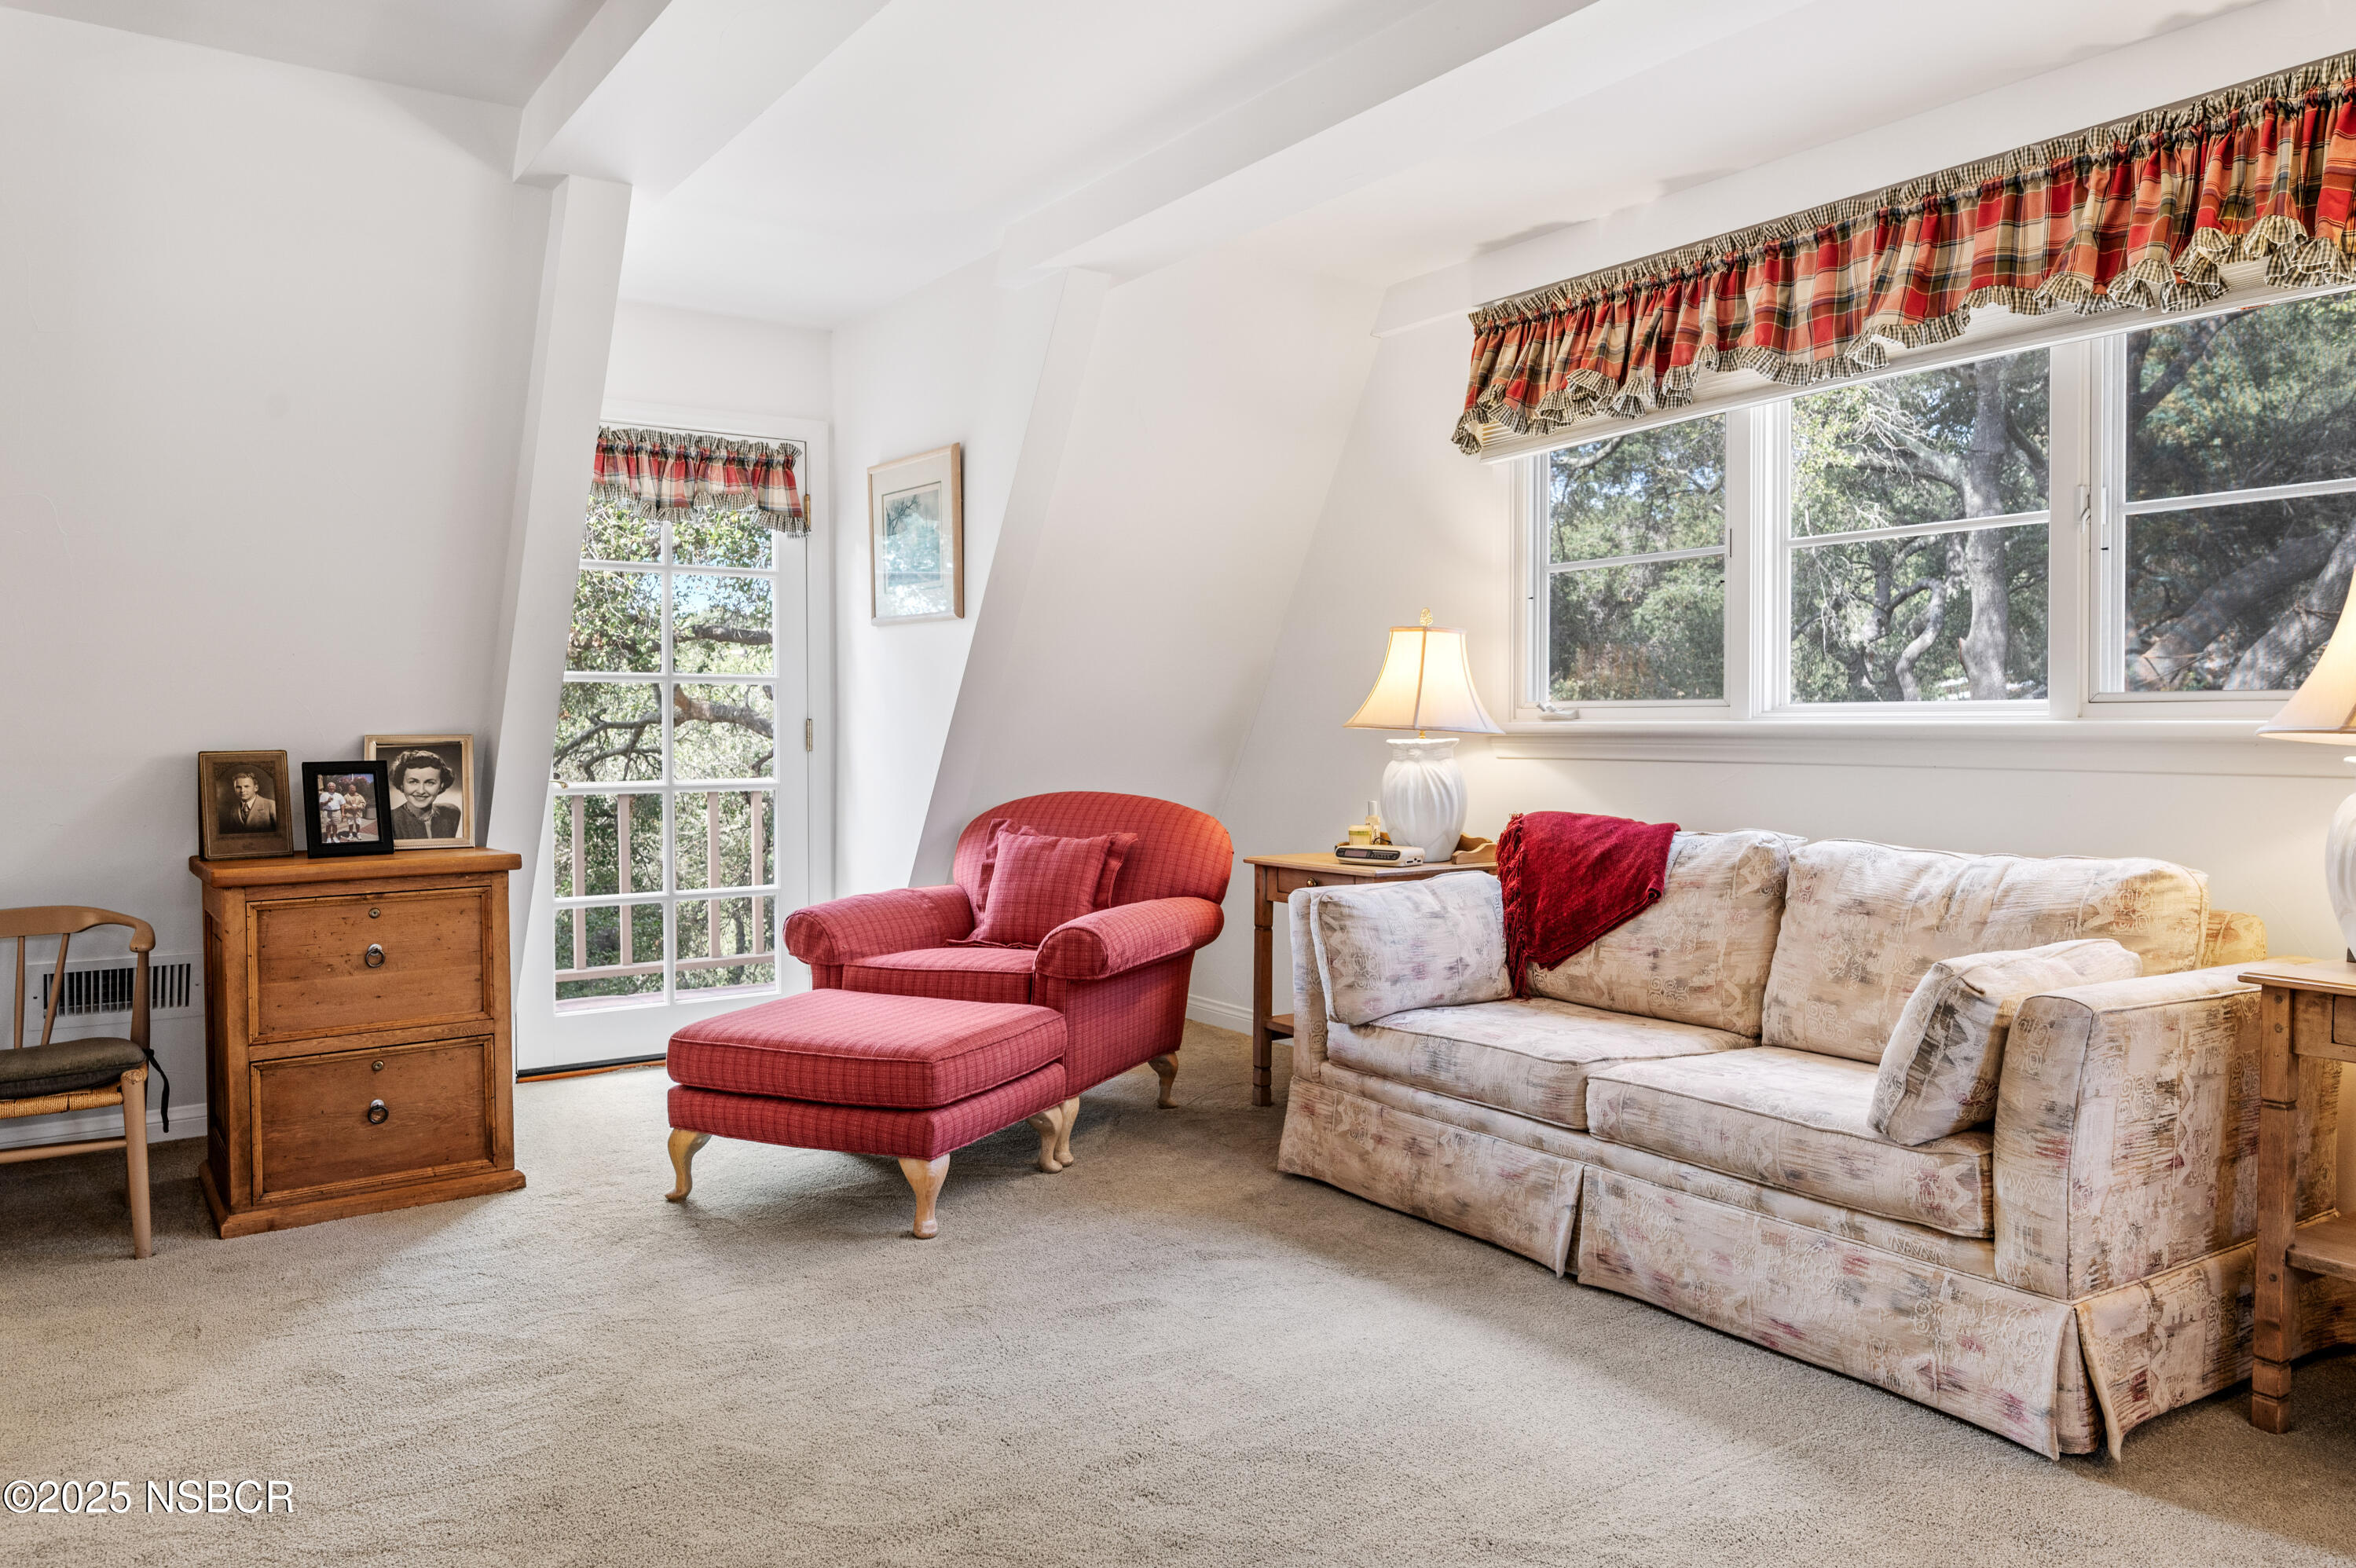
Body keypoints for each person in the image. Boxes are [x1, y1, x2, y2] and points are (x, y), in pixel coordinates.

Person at [387, 750, 462, 841]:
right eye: (413, 782)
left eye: (430, 783)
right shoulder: (389, 820)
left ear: (441, 786)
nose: (421, 791)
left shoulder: (451, 813)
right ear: (402, 785)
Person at [222, 768, 277, 833]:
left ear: (256, 788)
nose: (242, 790)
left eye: (246, 786)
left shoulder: (271, 805)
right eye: (238, 787)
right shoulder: (234, 809)